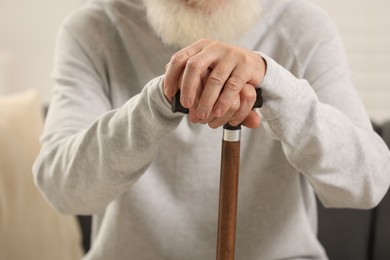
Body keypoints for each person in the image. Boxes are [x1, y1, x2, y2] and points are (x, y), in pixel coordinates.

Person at [33, 0, 390, 259]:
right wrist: (158, 102)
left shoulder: (303, 26)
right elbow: (64, 190)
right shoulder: (93, 29)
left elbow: (367, 183)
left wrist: (273, 82)